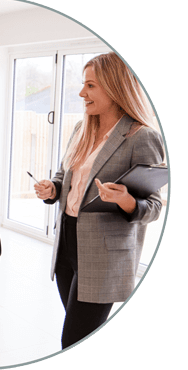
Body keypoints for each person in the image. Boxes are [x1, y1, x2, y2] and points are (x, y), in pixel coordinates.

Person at [34, 52, 164, 349]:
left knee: (72, 338)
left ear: (114, 87)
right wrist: (52, 190)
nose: (82, 93)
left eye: (90, 86)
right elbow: (62, 174)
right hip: (67, 244)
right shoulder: (83, 129)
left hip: (105, 257)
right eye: (83, 85)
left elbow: (154, 206)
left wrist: (126, 200)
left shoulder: (140, 136)